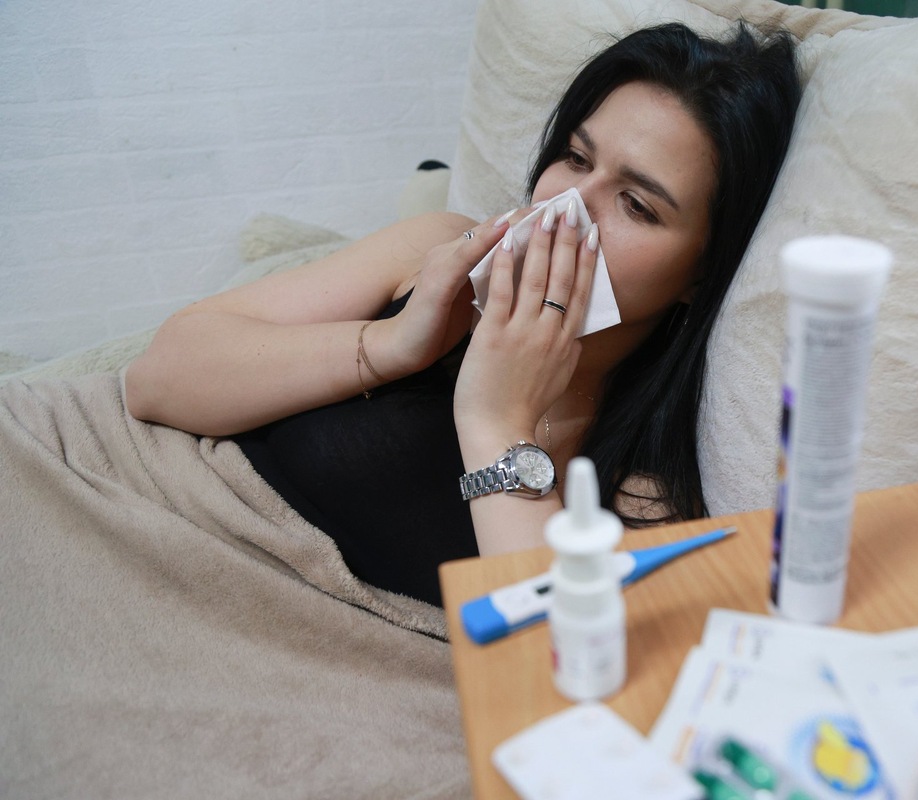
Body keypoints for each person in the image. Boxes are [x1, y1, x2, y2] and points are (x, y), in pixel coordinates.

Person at [123, 21, 802, 607]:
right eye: (575, 158)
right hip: (137, 505)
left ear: (700, 275)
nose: (567, 208)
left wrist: (497, 423)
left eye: (637, 205)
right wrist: (390, 345)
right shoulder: (437, 249)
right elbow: (154, 379)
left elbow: (561, 654)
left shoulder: (641, 487)